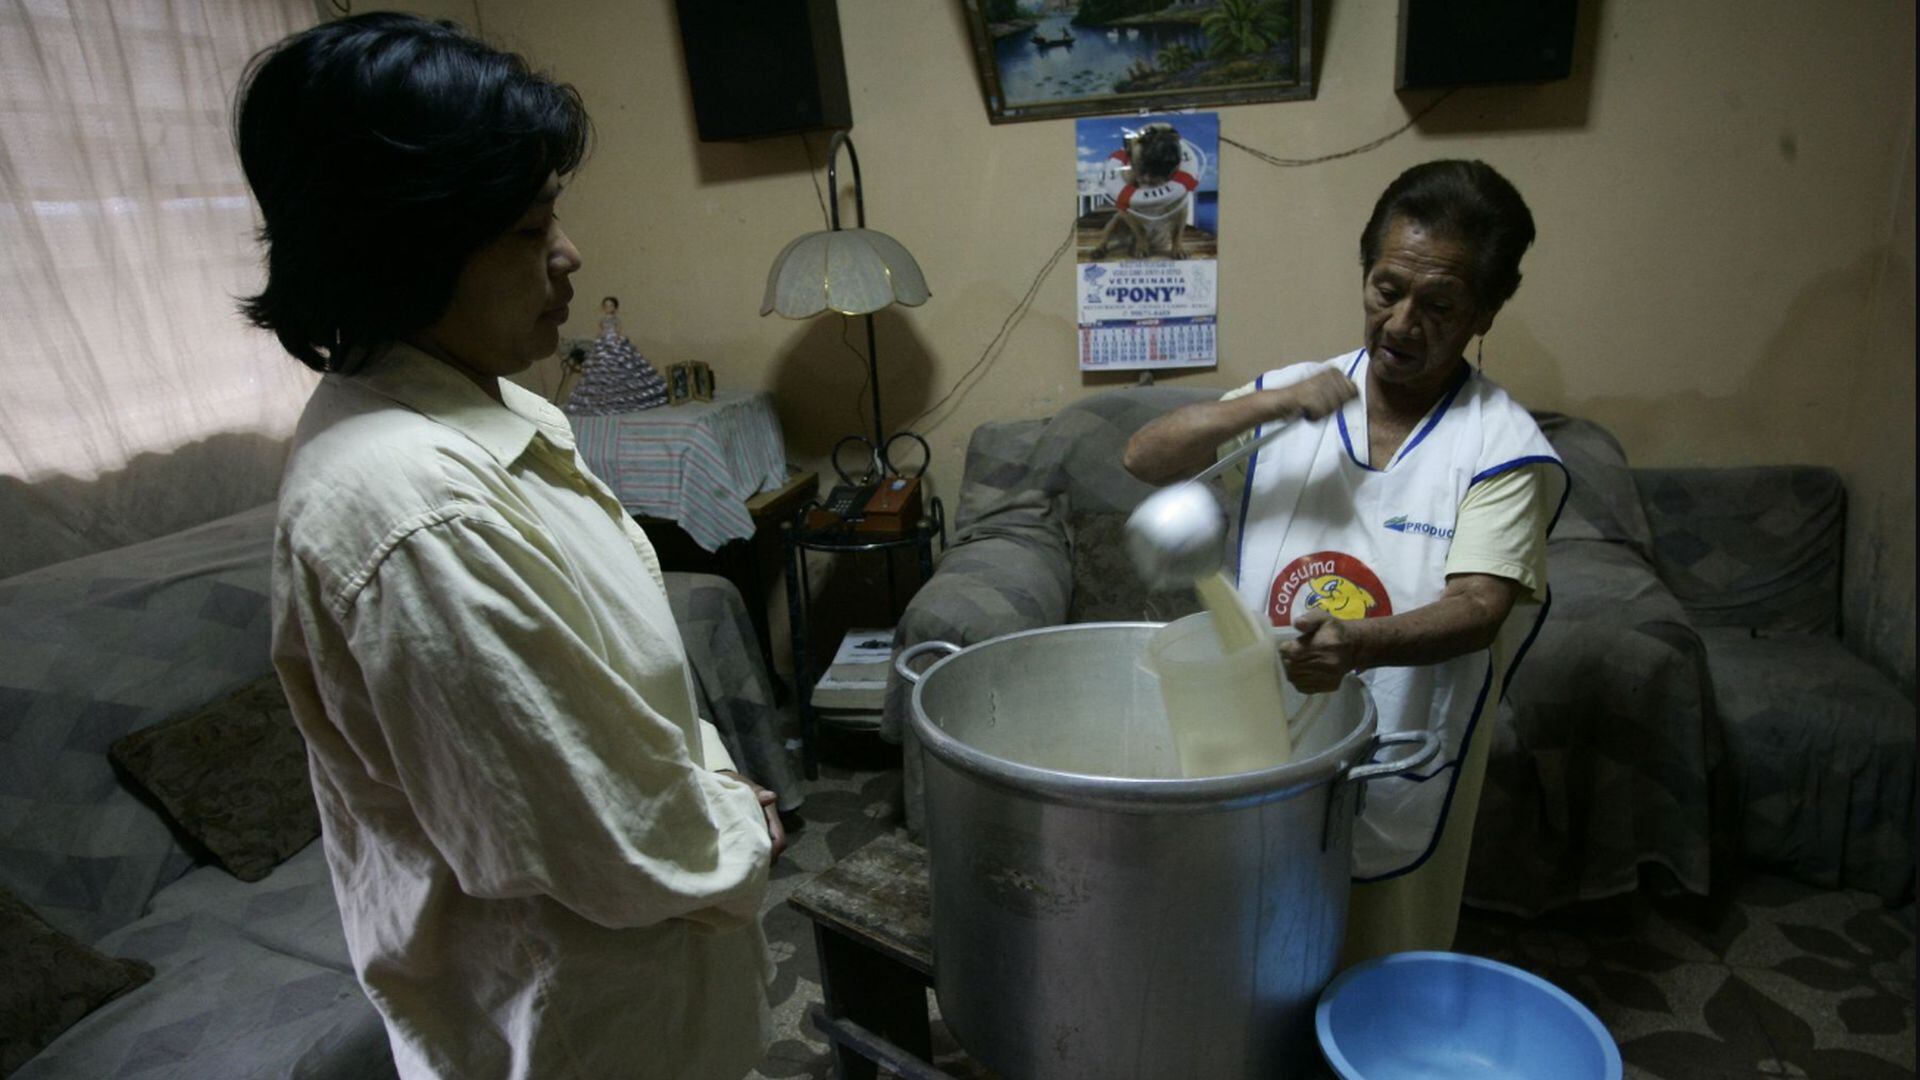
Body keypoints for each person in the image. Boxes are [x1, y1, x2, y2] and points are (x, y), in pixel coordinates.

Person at [235, 14, 783, 1078]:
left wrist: (712, 783)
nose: (569, 255)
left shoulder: (498, 410)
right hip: (583, 1029)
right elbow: (601, 838)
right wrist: (736, 823)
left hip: (648, 993)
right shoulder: (412, 509)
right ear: (402, 246)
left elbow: (623, 689)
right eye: (530, 231)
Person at [1124, 159, 1567, 964]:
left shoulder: (1501, 447)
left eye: (1438, 305)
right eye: (1385, 289)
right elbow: (1145, 458)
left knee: (1377, 955)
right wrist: (1271, 401)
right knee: (1249, 945)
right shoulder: (1296, 396)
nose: (1401, 323)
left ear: (1486, 311)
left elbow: (1479, 608)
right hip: (1265, 725)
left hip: (1399, 743)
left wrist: (1358, 644)